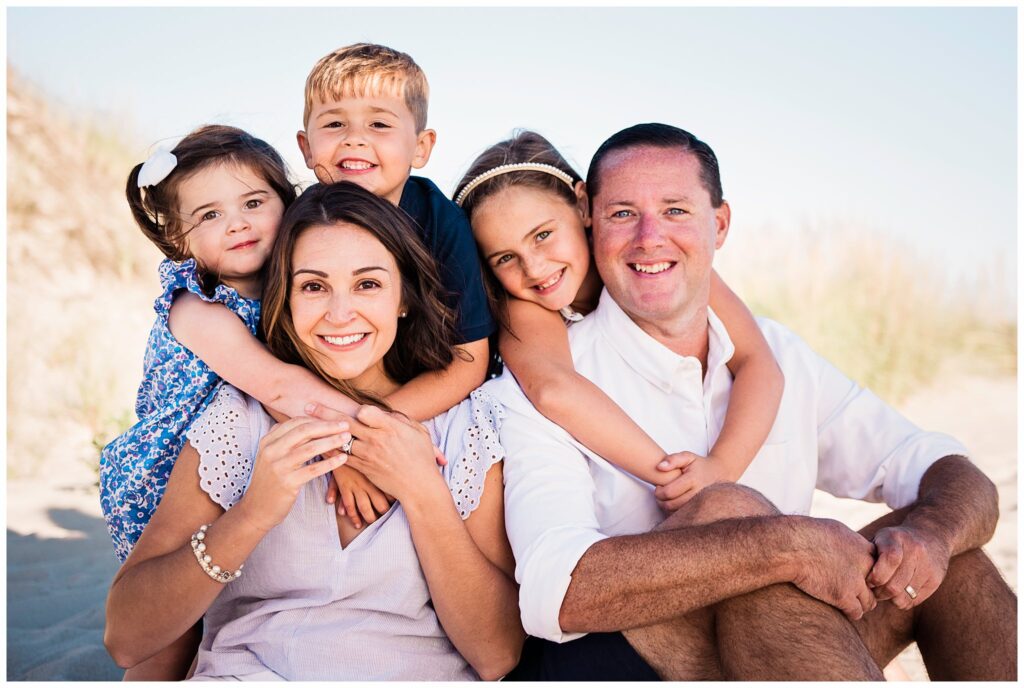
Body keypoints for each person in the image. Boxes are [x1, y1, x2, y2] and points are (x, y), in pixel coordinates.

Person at [495, 123, 1016, 680]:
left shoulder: (776, 355)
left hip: (788, 651)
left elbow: (944, 468)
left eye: (675, 211)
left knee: (947, 555)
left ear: (719, 225)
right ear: (590, 219)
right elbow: (557, 593)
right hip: (631, 666)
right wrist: (785, 546)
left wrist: (932, 538)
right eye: (624, 213)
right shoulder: (548, 378)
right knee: (734, 518)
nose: (649, 237)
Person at [104, 182, 523, 680]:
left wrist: (423, 490)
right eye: (313, 286)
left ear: (404, 299)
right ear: (285, 298)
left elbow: (497, 656)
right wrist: (252, 514)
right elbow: (126, 639)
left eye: (368, 284)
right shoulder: (238, 418)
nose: (339, 313)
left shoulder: (465, 428)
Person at [454, 130, 784, 500]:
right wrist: (675, 476)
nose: (533, 268)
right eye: (505, 257)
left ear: (584, 209)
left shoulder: (657, 262)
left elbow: (757, 360)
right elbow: (553, 390)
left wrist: (721, 468)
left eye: (543, 235)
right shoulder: (524, 307)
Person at [101, 125, 369, 566]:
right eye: (209, 215)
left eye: (253, 203)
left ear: (289, 202)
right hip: (167, 472)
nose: (237, 223)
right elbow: (278, 387)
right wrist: (373, 432)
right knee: (178, 592)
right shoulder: (195, 308)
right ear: (178, 240)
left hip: (248, 457)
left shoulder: (293, 291)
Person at [296, 43, 494, 421]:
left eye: (379, 124)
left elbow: (468, 360)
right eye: (335, 124)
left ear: (420, 147)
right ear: (306, 147)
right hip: (323, 404)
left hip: (419, 400)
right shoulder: (300, 226)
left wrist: (367, 433)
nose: (355, 139)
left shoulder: (441, 222)